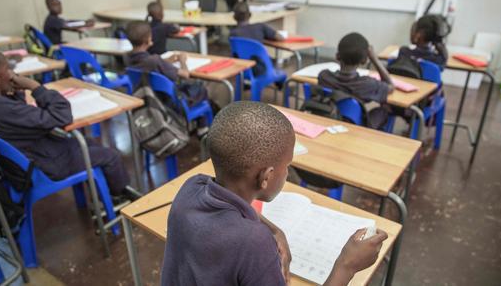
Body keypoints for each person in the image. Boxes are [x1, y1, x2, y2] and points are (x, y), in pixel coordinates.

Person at [161, 101, 388, 286]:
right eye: (287, 165)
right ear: (266, 177)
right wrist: (346, 266)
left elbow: (235, 212)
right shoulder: (254, 243)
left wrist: (274, 230)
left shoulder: (192, 186)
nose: (287, 172)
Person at [0, 45, 135, 203]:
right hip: (44, 164)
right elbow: (62, 116)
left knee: (88, 144)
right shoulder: (6, 111)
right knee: (110, 155)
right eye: (7, 68)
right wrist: (35, 87)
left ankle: (101, 191)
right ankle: (119, 196)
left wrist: (13, 92)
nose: (11, 72)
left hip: (26, 159)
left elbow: (22, 115)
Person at [125, 21, 210, 136]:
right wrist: (182, 61)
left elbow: (148, 64)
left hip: (149, 101)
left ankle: (198, 124)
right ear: (147, 39)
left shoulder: (128, 58)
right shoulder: (155, 60)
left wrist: (166, 61)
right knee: (200, 88)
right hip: (170, 103)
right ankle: (202, 129)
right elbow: (185, 74)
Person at [319, 32, 395, 129]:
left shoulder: (324, 76)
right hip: (357, 129)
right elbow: (391, 86)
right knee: (385, 109)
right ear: (364, 60)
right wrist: (374, 59)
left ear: (337, 56)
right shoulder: (368, 84)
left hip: (327, 121)